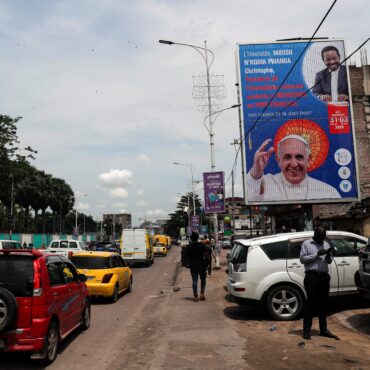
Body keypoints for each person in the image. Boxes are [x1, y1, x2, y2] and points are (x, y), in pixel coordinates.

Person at [246, 135, 341, 201]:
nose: (294, 164)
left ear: (308, 160)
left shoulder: (328, 192)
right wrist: (256, 173)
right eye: (287, 157)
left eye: (299, 157)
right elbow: (249, 199)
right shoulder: (265, 183)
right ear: (278, 160)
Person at [300, 226, 339, 340]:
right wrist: (317, 254)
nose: (322, 239)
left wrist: (328, 256)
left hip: (323, 277)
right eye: (320, 237)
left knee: (323, 304)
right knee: (310, 304)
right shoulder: (306, 244)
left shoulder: (326, 244)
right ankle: (307, 331)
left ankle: (323, 330)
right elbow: (302, 259)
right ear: (315, 234)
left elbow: (329, 261)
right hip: (312, 277)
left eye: (323, 237)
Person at [186, 232, 207, 302]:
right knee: (203, 280)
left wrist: (188, 264)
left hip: (193, 266)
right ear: (198, 238)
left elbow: (187, 257)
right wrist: (207, 265)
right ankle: (202, 294)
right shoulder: (202, 245)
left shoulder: (189, 247)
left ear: (191, 239)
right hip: (202, 266)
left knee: (195, 281)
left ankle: (195, 296)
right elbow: (206, 256)